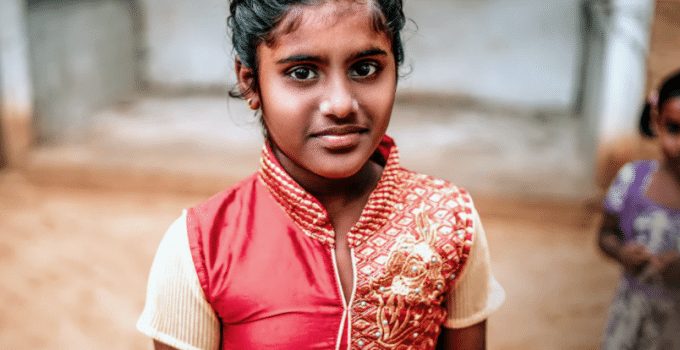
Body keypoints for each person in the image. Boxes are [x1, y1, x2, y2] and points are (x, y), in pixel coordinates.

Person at [137, 0, 505, 349]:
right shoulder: (201, 246)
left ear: (395, 67)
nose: (341, 104)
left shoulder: (450, 221)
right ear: (250, 82)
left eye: (364, 68)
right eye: (302, 72)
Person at [598, 70, 680, 349]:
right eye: (674, 129)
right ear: (657, 121)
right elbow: (605, 234)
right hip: (628, 319)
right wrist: (622, 252)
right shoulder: (632, 179)